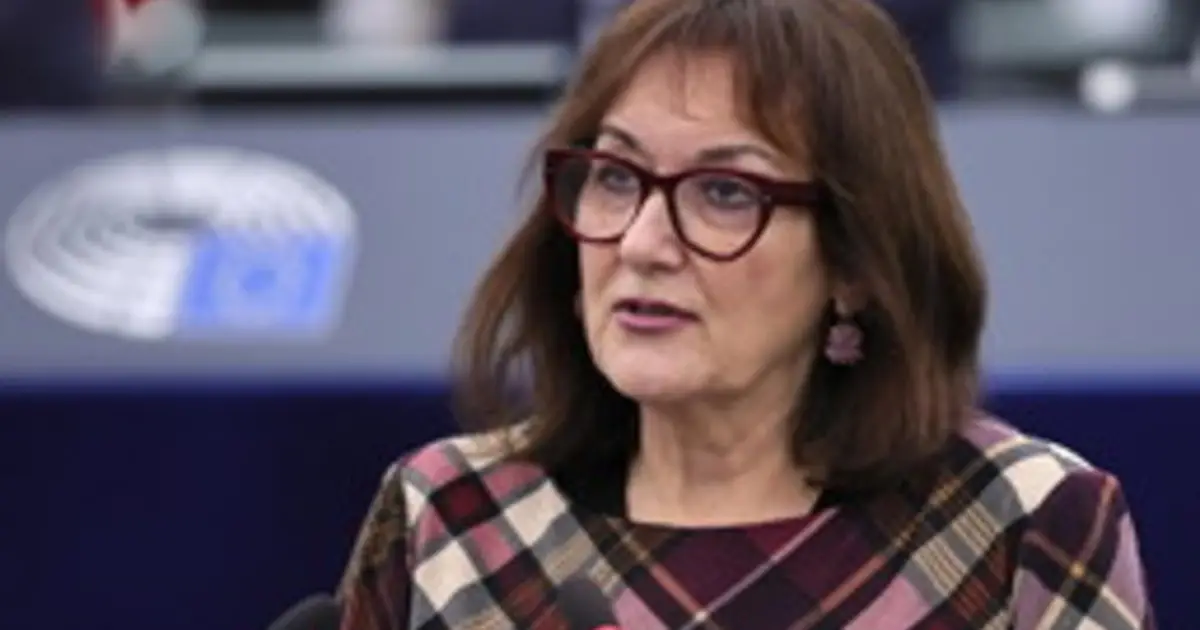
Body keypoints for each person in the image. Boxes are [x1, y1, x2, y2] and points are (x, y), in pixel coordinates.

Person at [337, 0, 1155, 628]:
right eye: (616, 177)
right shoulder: (453, 520)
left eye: (725, 192)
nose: (642, 243)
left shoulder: (1027, 527)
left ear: (854, 263)